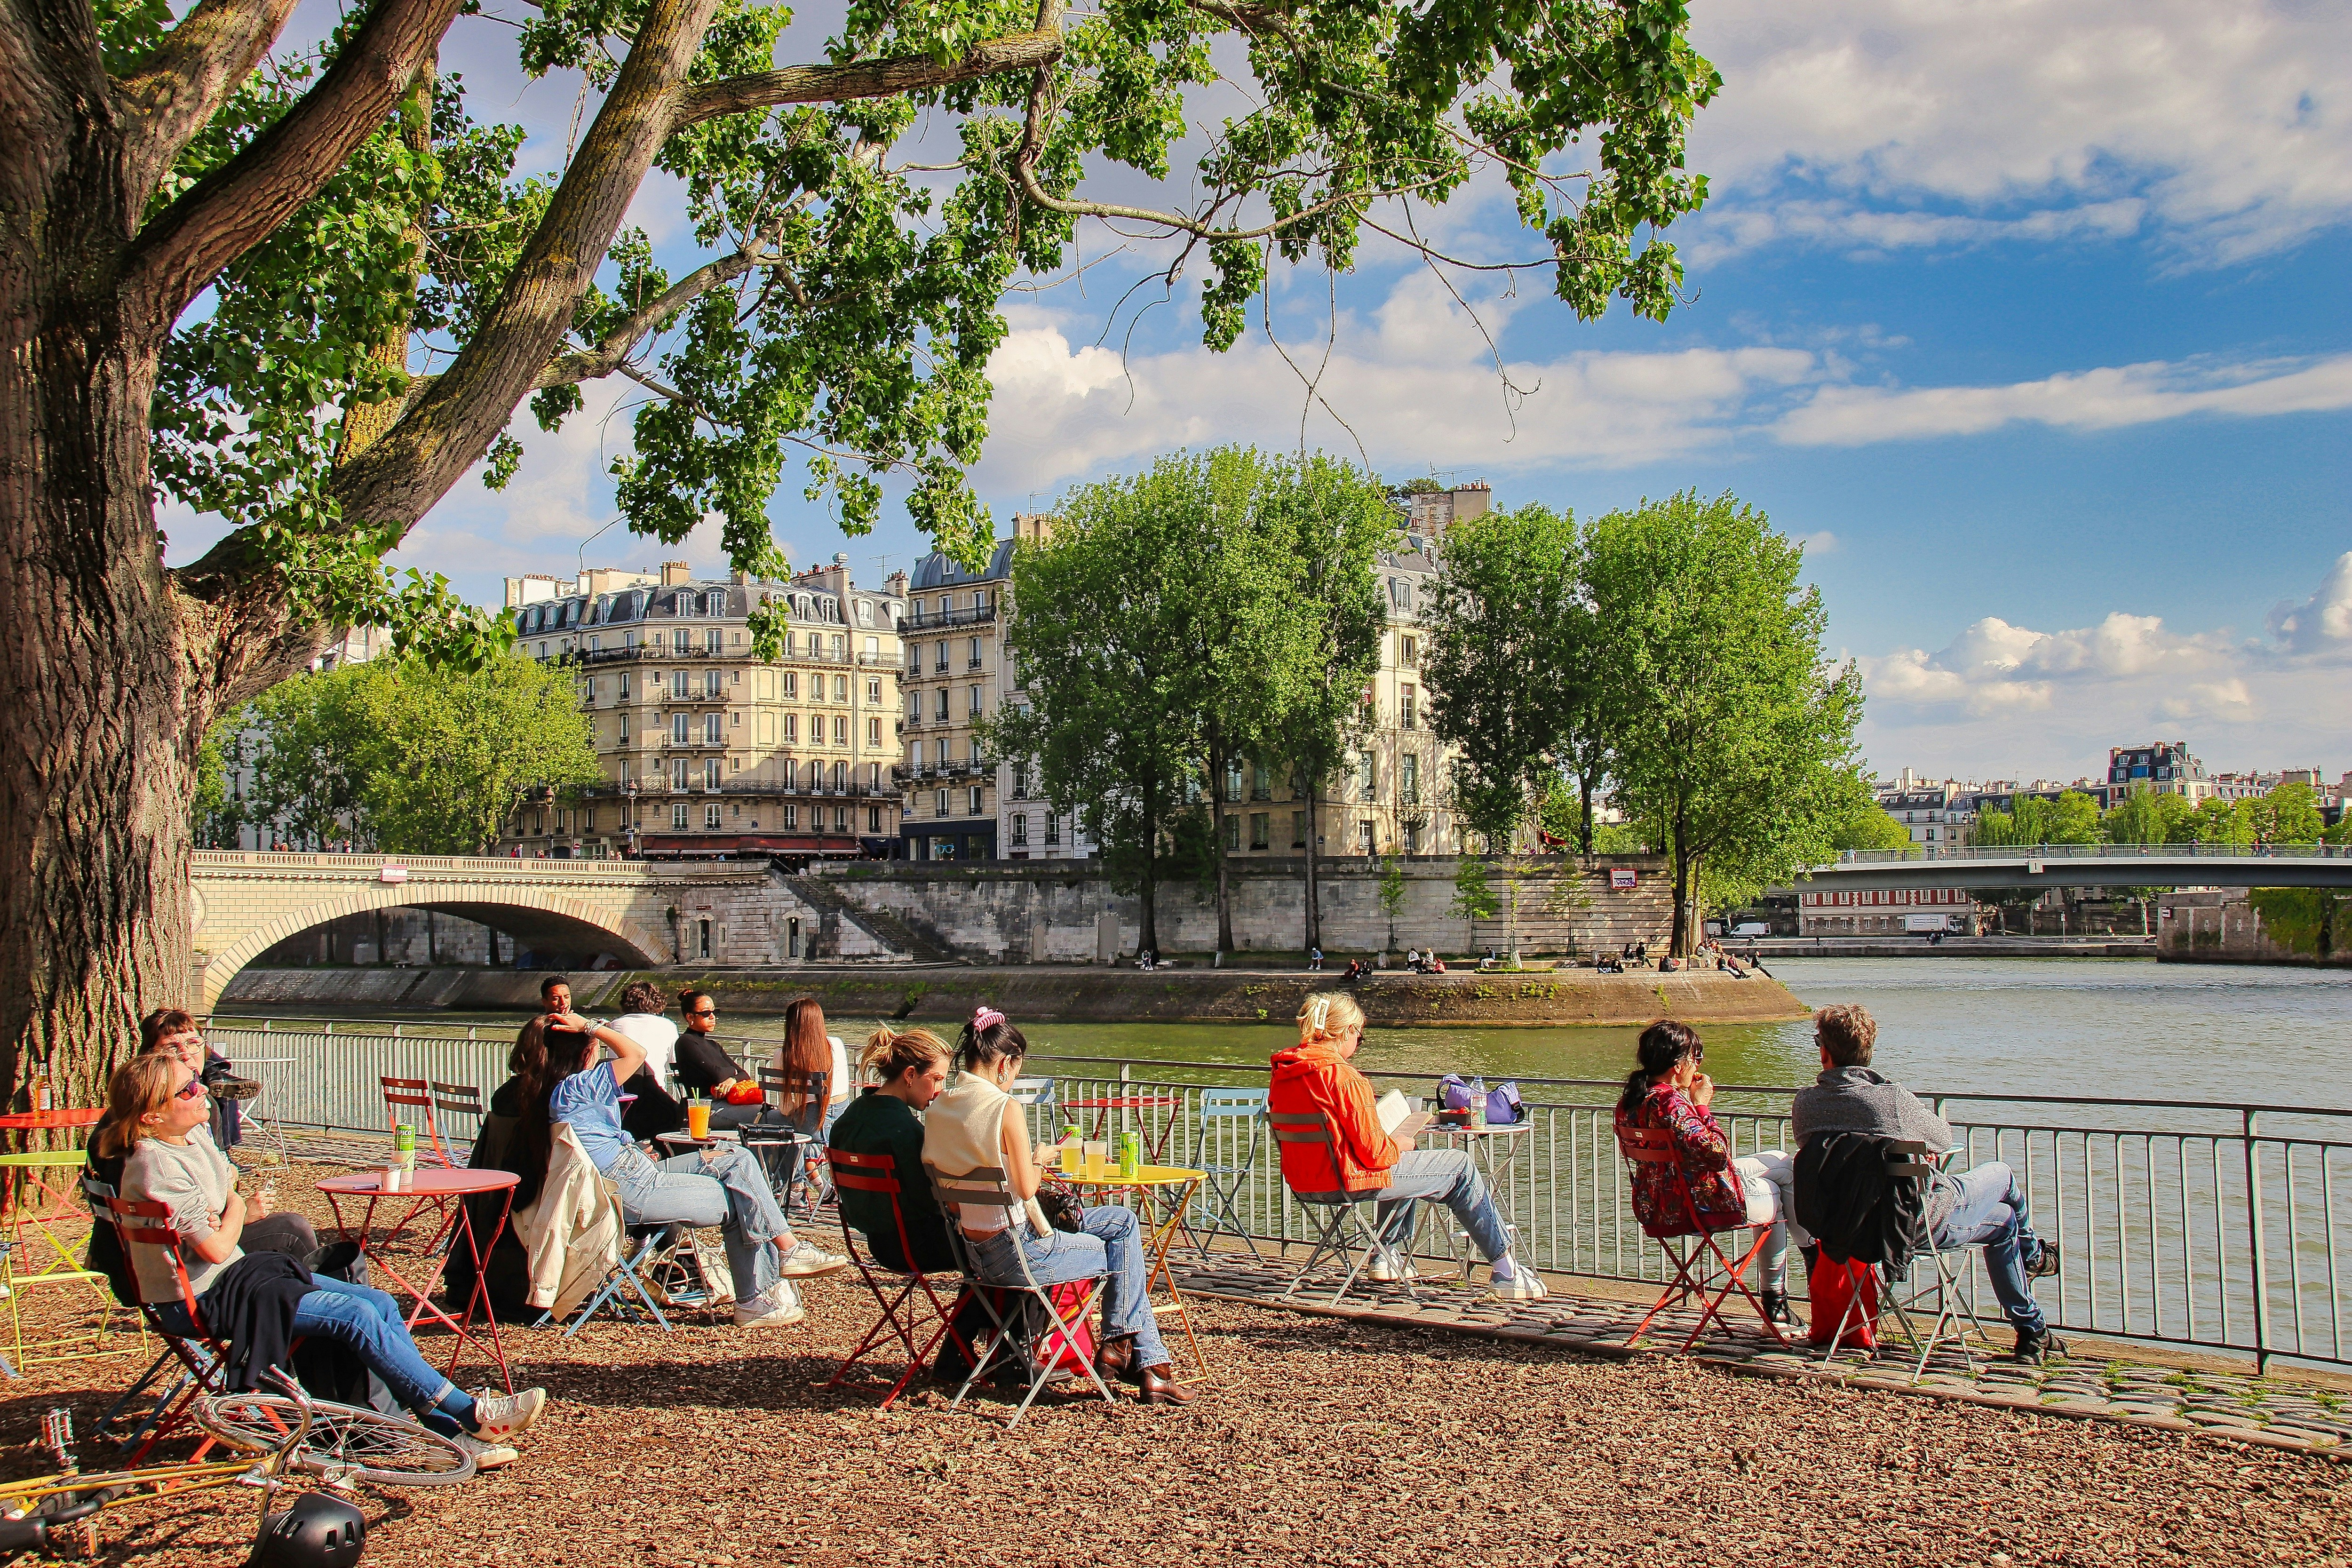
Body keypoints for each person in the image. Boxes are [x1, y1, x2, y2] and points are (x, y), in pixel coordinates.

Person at [99, 1055, 544, 1470]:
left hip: (236, 1275)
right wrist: (235, 1208)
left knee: (380, 1303)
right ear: (151, 1116)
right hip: (202, 1297)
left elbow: (227, 1182)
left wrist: (227, 1207)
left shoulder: (189, 1134)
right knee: (358, 1316)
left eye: (196, 1082)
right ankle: (468, 1413)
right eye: (186, 1091)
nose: (200, 1091)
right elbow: (215, 1245)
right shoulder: (154, 1164)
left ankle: (444, 1432)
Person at [922, 1007, 1190, 1405]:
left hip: (974, 1254)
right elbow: (1028, 1187)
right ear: (1005, 1064)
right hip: (1022, 1256)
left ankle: (1133, 1353)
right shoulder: (1003, 1108)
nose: (1013, 1079)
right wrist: (1040, 1155)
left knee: (1121, 1221)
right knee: (1121, 1246)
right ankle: (1135, 1353)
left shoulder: (942, 1106)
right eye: (1016, 1069)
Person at [1792, 1003, 2064, 1362]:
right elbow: (1942, 1135)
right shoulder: (1891, 1100)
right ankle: (2033, 1277)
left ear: (1825, 1051)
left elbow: (1830, 1155)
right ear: (1868, 1052)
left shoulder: (1805, 1104)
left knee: (2004, 1220)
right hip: (1914, 1223)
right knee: (2003, 1176)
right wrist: (1907, 1151)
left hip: (1846, 1230)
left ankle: (2035, 1325)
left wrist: (1893, 1152)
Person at [545, 1007, 844, 1328]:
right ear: (589, 1049)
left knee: (738, 1159)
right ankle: (757, 1295)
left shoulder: (557, 1089)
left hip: (632, 1173)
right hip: (631, 1188)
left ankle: (785, 1256)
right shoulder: (580, 1086)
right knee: (739, 1197)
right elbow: (636, 1052)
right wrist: (591, 1026)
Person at [1268, 993, 1543, 1301]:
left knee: (1406, 1158)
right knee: (1460, 1166)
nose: (1358, 1045)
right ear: (1345, 1032)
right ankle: (1506, 1270)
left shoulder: (1284, 1074)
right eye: (1359, 1037)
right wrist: (1399, 1141)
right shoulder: (1344, 1078)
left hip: (1306, 1183)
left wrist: (1395, 1147)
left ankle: (1386, 1255)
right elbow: (1376, 1154)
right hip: (1348, 1181)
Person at [1613, 1020, 1802, 1326]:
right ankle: (1781, 1294)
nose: (1699, 1064)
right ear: (1679, 1065)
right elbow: (1717, 1155)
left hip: (1657, 1202)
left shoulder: (1630, 1101)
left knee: (1781, 1161)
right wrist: (1702, 1106)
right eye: (1696, 1057)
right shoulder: (1671, 1103)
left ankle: (1785, 1292)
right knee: (1776, 1191)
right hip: (1697, 1204)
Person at [827, 1027, 955, 1274]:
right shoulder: (906, 1131)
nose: (940, 1089)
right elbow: (931, 1201)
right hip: (922, 1247)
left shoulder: (848, 1119)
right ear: (910, 1075)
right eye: (937, 1079)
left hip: (879, 1244)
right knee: (1010, 1249)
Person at [671, 991, 764, 1131]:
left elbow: (745, 1074)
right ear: (690, 1017)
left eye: (715, 1012)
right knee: (769, 1117)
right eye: (706, 1014)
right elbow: (717, 1074)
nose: (712, 1017)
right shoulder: (686, 1043)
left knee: (770, 1114)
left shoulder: (713, 1045)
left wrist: (732, 1080)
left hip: (727, 1104)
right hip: (706, 1109)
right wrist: (733, 1074)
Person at [604, 982, 684, 1142]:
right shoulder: (668, 1026)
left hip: (622, 1101)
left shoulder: (615, 1025)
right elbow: (674, 1062)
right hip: (657, 1099)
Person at [771, 997, 851, 1140]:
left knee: (772, 1119)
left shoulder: (783, 1055)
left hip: (812, 1125)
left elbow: (786, 1109)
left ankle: (806, 1155)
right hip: (844, 1120)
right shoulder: (837, 1044)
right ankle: (813, 1154)